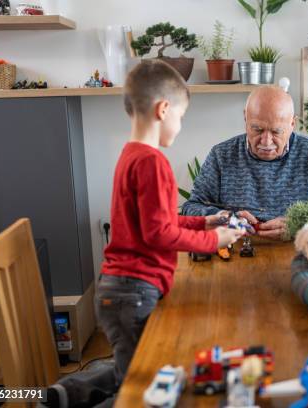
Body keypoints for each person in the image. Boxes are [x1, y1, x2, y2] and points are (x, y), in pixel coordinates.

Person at [47, 60, 244, 407]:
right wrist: (214, 242)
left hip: (122, 289)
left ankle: (67, 394)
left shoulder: (131, 154)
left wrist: (204, 222)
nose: (180, 126)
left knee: (135, 369)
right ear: (163, 109)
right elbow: (160, 235)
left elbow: (156, 222)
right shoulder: (153, 163)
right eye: (181, 117)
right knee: (140, 390)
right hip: (132, 292)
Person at [181, 85, 308, 240]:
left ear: (292, 124)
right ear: (245, 118)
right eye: (257, 129)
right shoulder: (221, 155)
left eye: (276, 131)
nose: (266, 141)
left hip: (299, 249)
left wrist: (298, 224)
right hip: (235, 250)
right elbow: (191, 208)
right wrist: (223, 217)